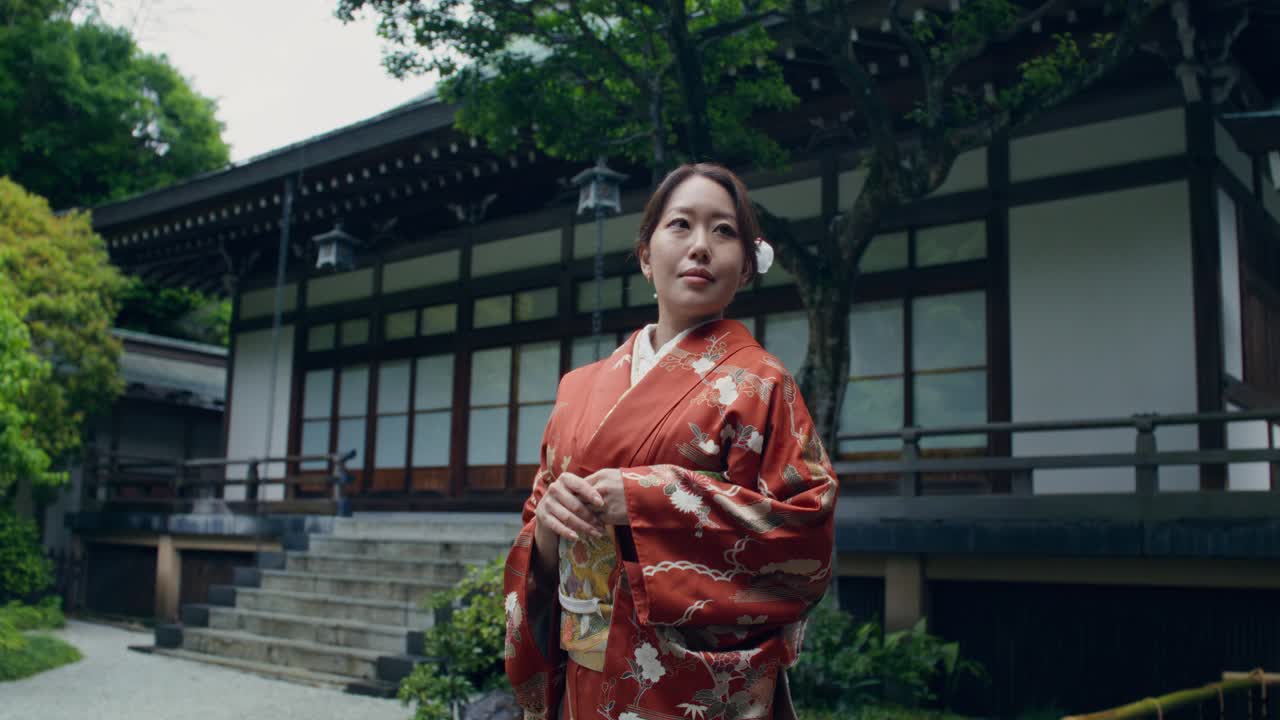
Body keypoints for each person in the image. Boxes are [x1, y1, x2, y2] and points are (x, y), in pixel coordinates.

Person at [503, 162, 838, 720]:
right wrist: (546, 532)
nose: (701, 246)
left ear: (747, 267)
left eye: (724, 230)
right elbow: (537, 530)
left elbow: (806, 534)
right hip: (583, 683)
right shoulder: (576, 389)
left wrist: (646, 500)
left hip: (687, 688)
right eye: (680, 224)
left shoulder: (761, 383)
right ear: (645, 256)